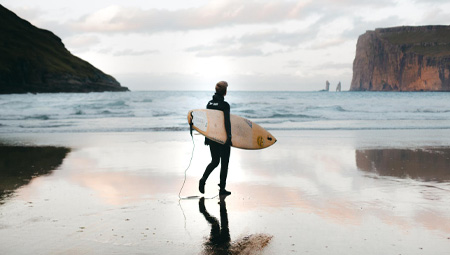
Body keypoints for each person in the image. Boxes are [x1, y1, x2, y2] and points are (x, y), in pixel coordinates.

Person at [199, 81, 232, 196]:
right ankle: (222, 189)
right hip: (222, 138)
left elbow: (208, 122)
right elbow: (226, 122)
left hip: (212, 137)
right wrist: (229, 137)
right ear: (225, 92)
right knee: (224, 163)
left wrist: (206, 137)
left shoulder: (209, 104)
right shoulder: (225, 105)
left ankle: (203, 179)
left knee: (214, 161)